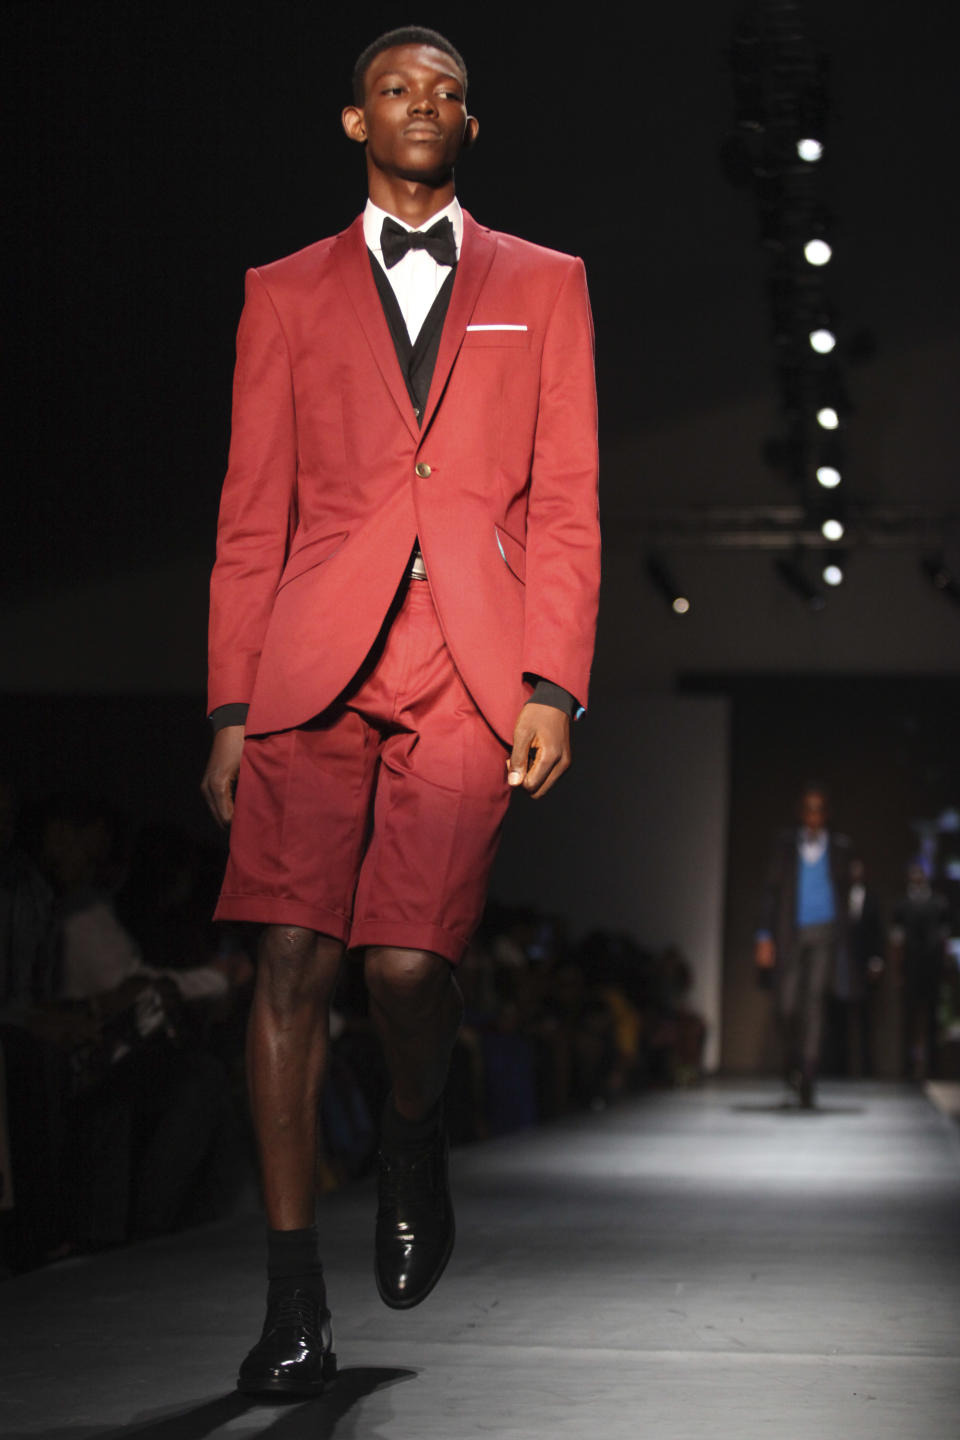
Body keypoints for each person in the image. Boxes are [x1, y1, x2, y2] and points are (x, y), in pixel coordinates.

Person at [201, 26, 600, 1397]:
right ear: (353, 121)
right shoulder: (284, 291)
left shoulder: (546, 285)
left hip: (470, 667)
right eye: (395, 88)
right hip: (310, 664)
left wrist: (553, 681)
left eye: (446, 92)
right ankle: (295, 1302)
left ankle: (419, 1123)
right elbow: (251, 513)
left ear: (469, 130)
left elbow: (568, 503)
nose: (421, 105)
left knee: (406, 969)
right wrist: (229, 704)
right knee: (291, 969)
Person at [754, 783, 853, 1109]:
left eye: (819, 809)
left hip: (825, 933)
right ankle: (794, 1060)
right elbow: (770, 892)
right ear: (801, 813)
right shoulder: (785, 845)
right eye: (809, 809)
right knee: (785, 1005)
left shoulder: (839, 848)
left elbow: (846, 895)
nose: (814, 816)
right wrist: (764, 936)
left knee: (814, 1003)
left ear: (826, 815)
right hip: (789, 932)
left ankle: (808, 1074)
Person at [891, 863, 950, 1081]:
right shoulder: (902, 905)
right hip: (910, 968)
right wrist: (898, 971)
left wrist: (944, 968)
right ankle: (907, 1067)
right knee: (909, 1019)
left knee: (933, 1019)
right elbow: (897, 941)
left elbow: (943, 938)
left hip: (932, 969)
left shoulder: (939, 904)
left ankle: (934, 1067)